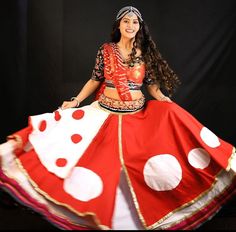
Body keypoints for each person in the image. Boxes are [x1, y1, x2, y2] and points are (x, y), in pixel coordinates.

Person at [0, 6, 235, 230]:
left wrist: (167, 102)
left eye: (135, 22)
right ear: (119, 24)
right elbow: (95, 80)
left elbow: (152, 88)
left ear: (140, 27)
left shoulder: (145, 54)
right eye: (126, 21)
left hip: (136, 116)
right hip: (104, 114)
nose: (130, 25)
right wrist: (76, 101)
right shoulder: (106, 50)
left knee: (144, 165)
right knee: (90, 165)